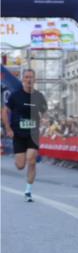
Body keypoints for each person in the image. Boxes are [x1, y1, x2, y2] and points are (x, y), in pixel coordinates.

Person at [2, 68, 47, 201]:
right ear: (23, 79)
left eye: (31, 77)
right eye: (26, 77)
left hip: (33, 134)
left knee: (31, 160)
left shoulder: (39, 96)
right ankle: (22, 164)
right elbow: (5, 111)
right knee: (20, 165)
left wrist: (44, 121)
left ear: (35, 80)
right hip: (18, 134)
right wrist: (8, 128)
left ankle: (28, 191)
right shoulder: (15, 96)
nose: (29, 80)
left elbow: (44, 112)